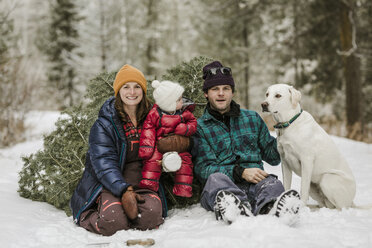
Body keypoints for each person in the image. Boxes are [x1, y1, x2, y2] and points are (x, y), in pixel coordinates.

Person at [70, 64, 179, 236]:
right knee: (113, 220)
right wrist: (124, 190)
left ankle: (133, 212)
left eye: (137, 87)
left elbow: (167, 144)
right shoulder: (104, 124)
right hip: (111, 183)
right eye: (126, 87)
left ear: (143, 91)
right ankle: (88, 214)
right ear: (118, 91)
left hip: (144, 183)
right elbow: (103, 163)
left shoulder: (154, 118)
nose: (132, 92)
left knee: (150, 217)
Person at [193, 61, 302, 225]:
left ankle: (272, 207)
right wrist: (240, 172)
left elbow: (273, 157)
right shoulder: (200, 127)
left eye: (226, 89)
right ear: (206, 94)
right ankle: (233, 207)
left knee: (273, 184)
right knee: (215, 179)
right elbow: (203, 169)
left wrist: (284, 130)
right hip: (222, 186)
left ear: (232, 92)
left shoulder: (252, 118)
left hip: (256, 184)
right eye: (215, 89)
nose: (221, 93)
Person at [138, 80, 197, 198]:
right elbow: (148, 130)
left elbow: (193, 123)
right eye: (179, 100)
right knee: (152, 161)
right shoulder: (155, 113)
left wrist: (185, 129)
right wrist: (147, 148)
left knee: (186, 161)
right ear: (169, 103)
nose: (182, 101)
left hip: (179, 144)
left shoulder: (183, 113)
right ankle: (149, 184)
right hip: (160, 144)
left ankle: (183, 188)